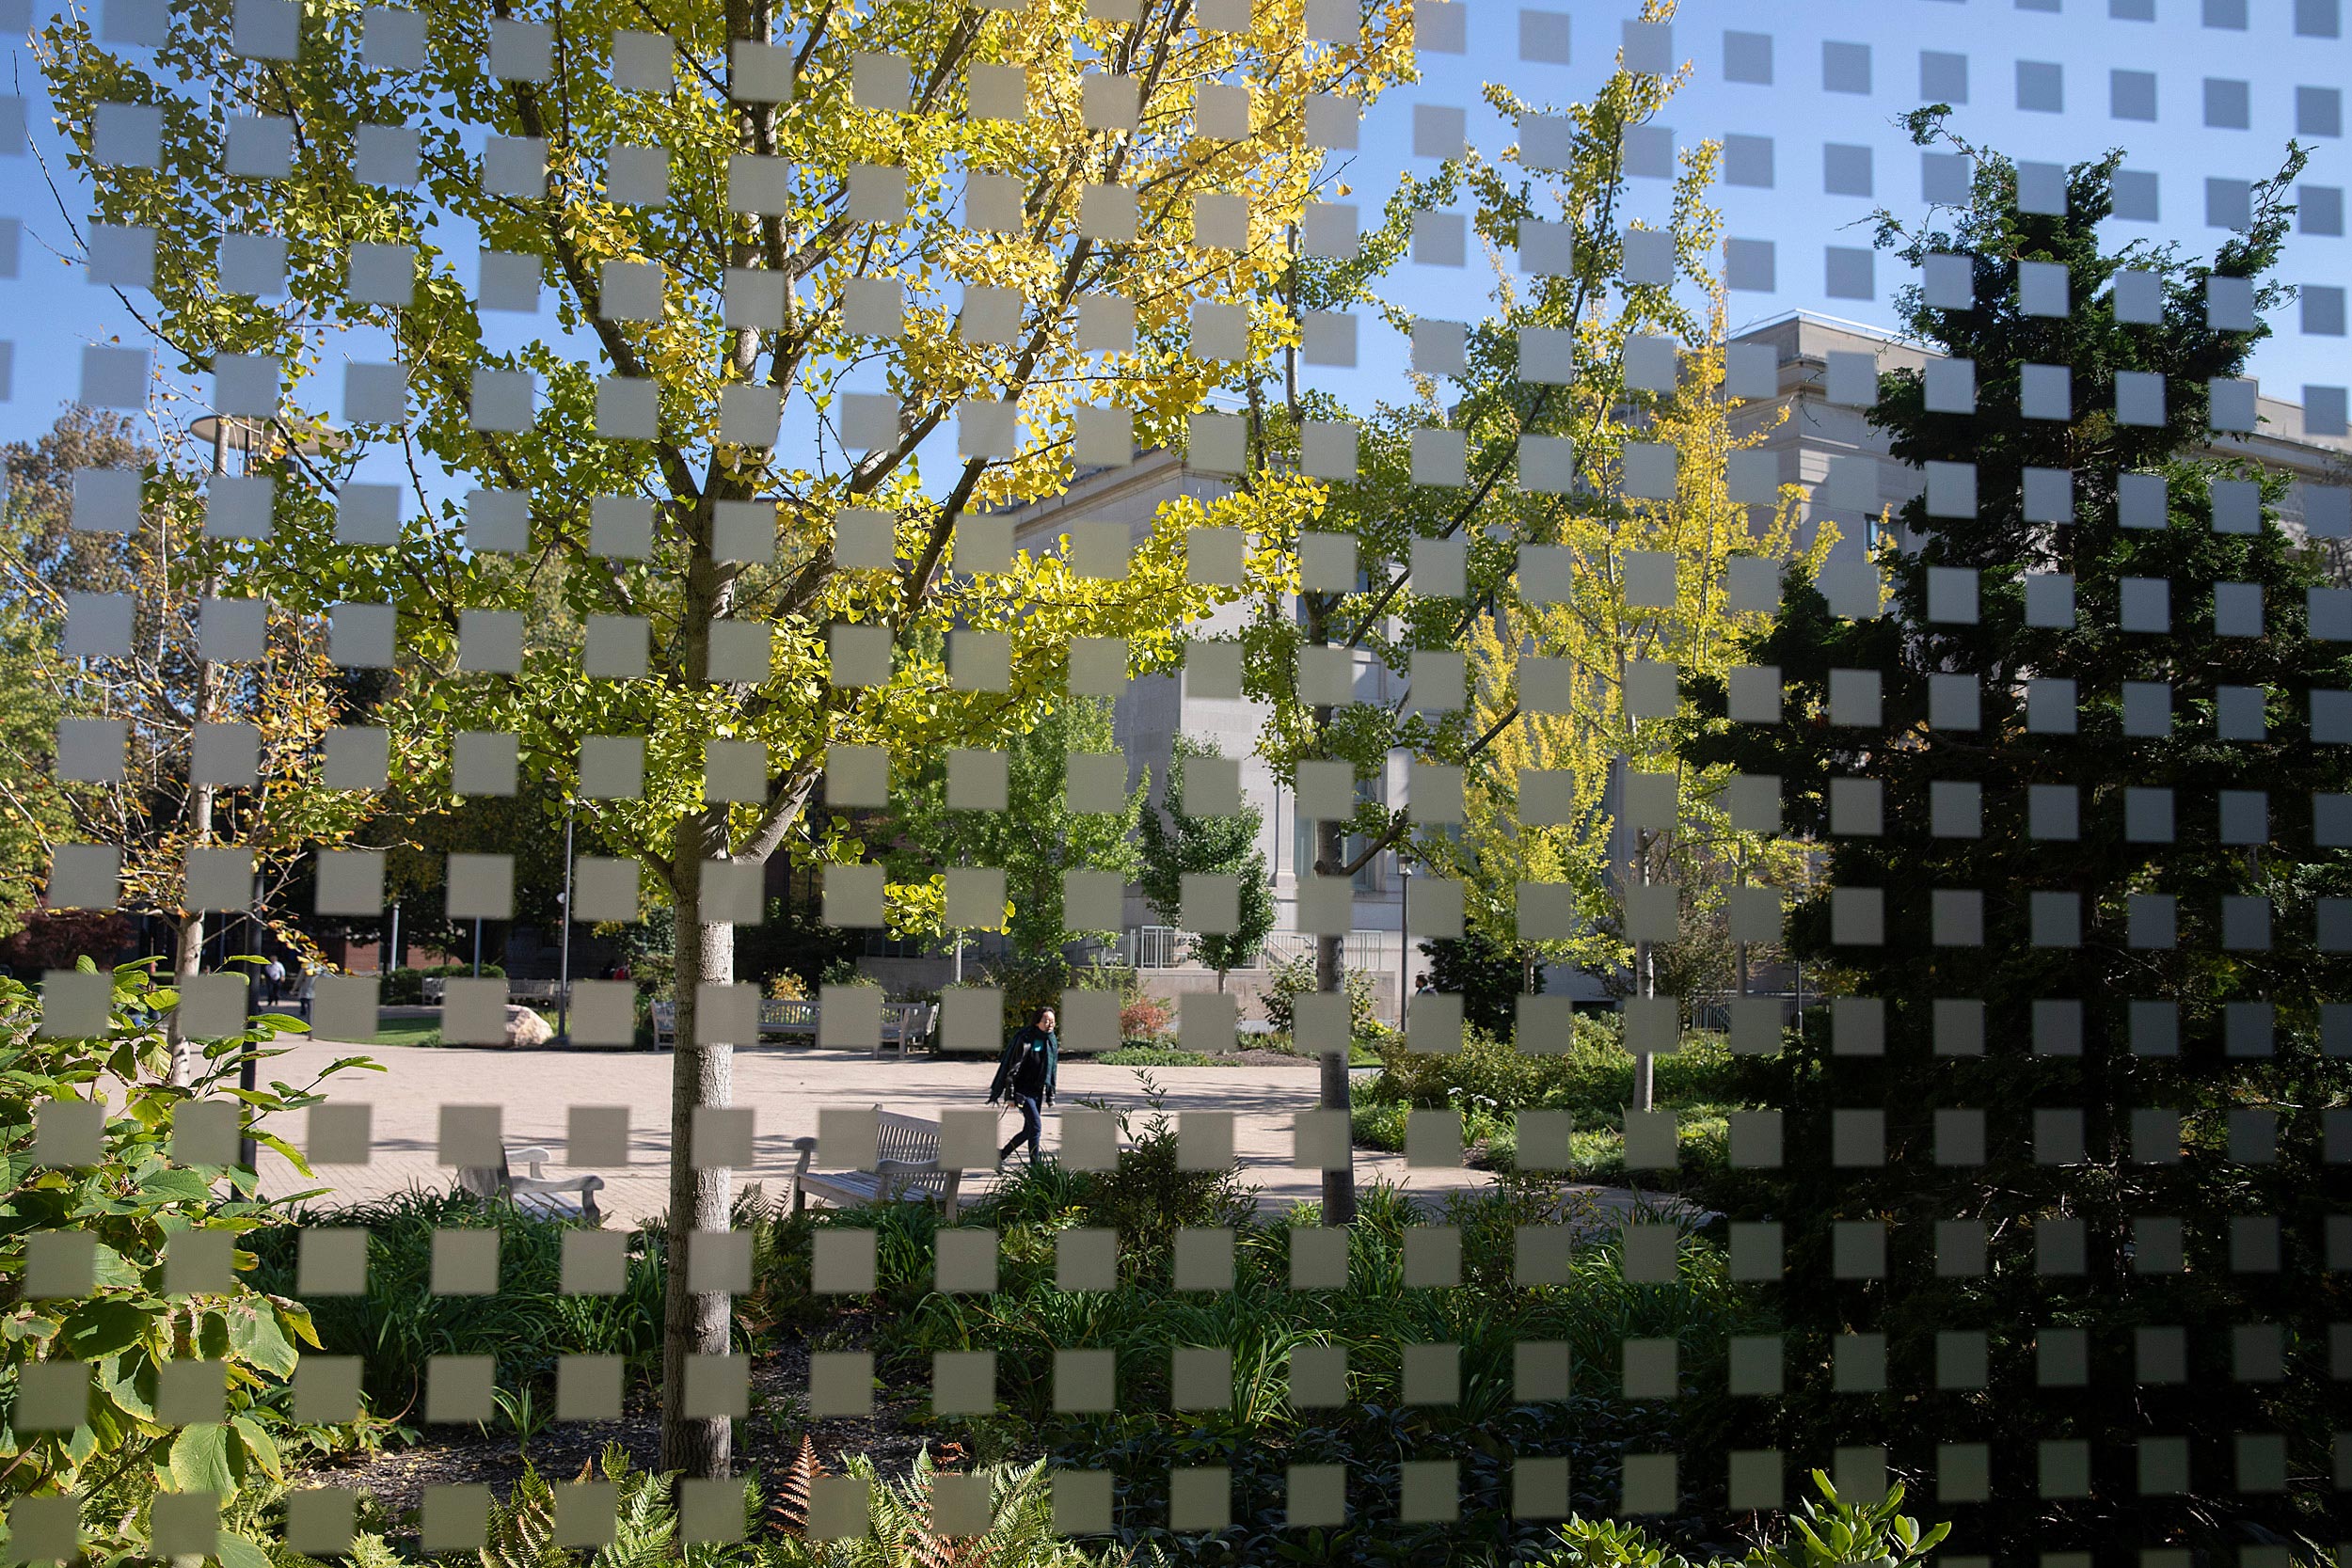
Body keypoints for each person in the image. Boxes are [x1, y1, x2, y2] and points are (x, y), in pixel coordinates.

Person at [988, 1006, 1058, 1166]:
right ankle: (1035, 1168)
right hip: (1022, 1090)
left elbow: (1052, 1070)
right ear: (1037, 1022)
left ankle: (1001, 1155)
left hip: (1037, 1091)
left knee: (1029, 1130)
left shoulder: (1051, 1041)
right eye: (1046, 1021)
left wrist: (1050, 1093)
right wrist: (1010, 1095)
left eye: (1052, 1021)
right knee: (1036, 1127)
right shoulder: (1026, 1039)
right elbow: (1012, 1068)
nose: (1050, 1024)